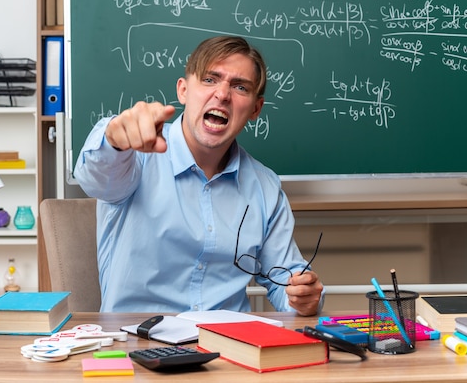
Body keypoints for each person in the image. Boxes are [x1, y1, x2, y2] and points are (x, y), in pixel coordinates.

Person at [74, 36, 324, 315]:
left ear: (255, 109)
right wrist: (114, 138)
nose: (223, 94)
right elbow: (93, 177)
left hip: (228, 346)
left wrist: (303, 297)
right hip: (137, 343)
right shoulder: (135, 157)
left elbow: (285, 282)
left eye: (240, 87)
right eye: (210, 80)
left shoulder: (265, 187)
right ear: (183, 90)